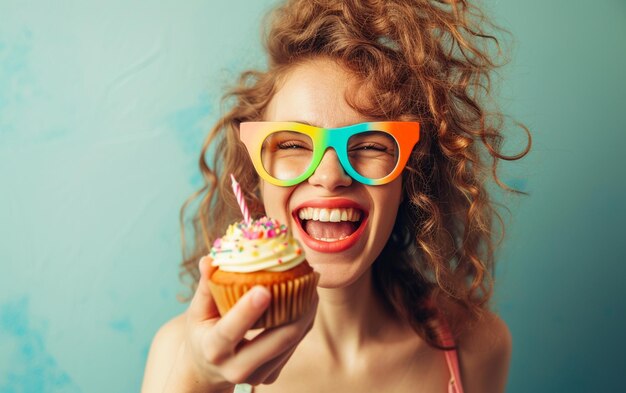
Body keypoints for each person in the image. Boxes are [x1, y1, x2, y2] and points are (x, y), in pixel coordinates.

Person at [142, 0, 530, 392]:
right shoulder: (181, 353)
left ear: (410, 177)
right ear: (254, 172)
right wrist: (200, 381)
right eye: (293, 144)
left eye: (371, 146)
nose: (330, 176)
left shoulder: (476, 345)